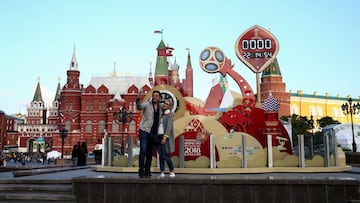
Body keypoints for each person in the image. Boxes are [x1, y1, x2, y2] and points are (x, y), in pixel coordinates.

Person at [136, 90, 162, 178]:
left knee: (150, 153)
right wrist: (138, 99)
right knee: (143, 150)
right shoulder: (147, 104)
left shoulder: (160, 108)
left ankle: (147, 171)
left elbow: (169, 109)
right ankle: (141, 170)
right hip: (144, 130)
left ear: (159, 98)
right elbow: (139, 107)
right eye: (153, 95)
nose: (155, 97)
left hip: (154, 133)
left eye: (157, 96)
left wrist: (170, 113)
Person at [158, 99, 176, 177]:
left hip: (165, 137)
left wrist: (165, 138)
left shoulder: (170, 115)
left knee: (165, 155)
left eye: (167, 103)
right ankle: (162, 171)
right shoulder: (161, 114)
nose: (164, 104)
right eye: (164, 103)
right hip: (158, 135)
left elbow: (169, 128)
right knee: (160, 155)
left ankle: (172, 170)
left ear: (170, 106)